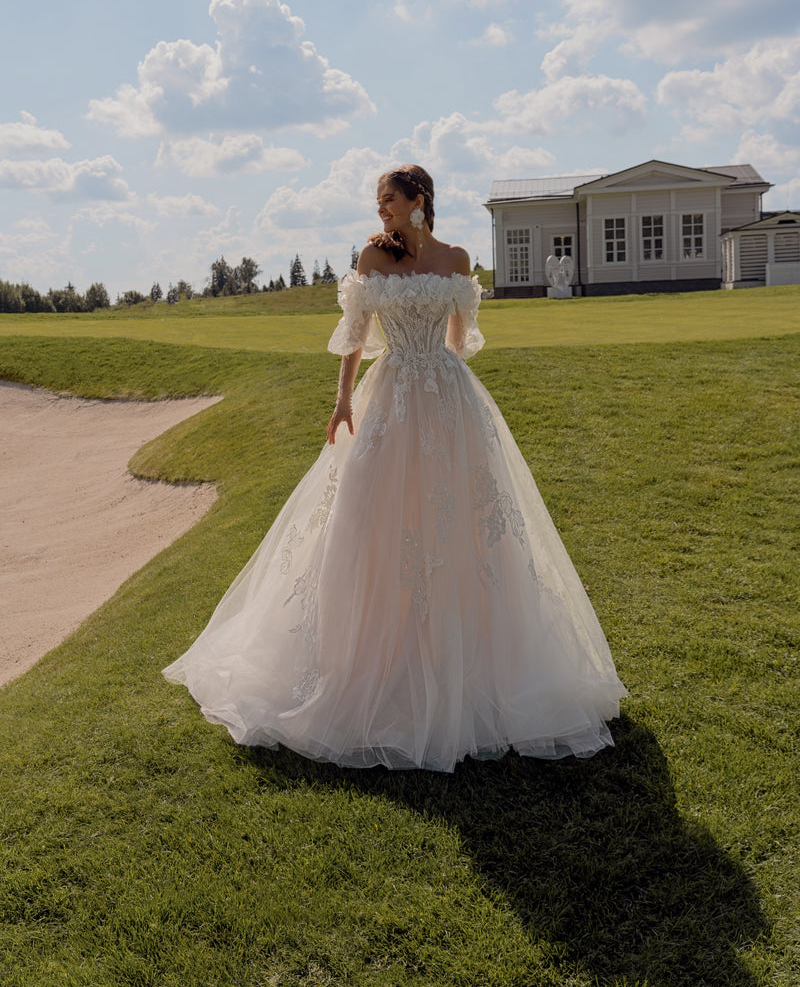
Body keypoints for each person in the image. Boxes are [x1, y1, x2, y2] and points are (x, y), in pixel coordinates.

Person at [163, 164, 626, 771]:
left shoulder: (458, 258)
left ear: (419, 200)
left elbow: (462, 339)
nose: (380, 208)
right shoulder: (372, 260)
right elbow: (355, 337)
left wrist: (442, 383)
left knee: (460, 522)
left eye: (388, 198)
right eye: (378, 199)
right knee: (370, 519)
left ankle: (472, 666)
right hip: (388, 398)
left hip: (448, 399)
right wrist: (341, 403)